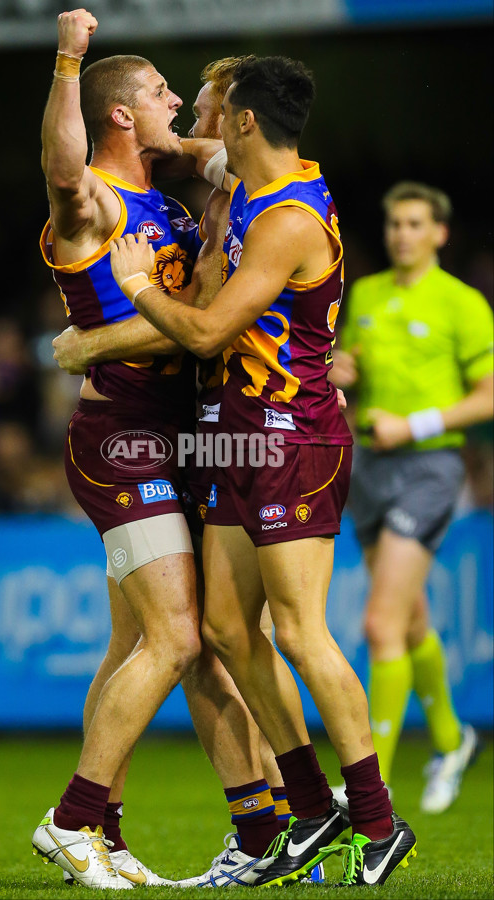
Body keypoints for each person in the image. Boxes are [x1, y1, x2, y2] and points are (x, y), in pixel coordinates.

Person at [109, 55, 418, 887]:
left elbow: (208, 335)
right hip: (237, 437)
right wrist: (126, 123)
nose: (197, 120)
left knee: (299, 632)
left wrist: (136, 286)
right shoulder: (244, 173)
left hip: (293, 441)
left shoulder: (286, 218)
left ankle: (379, 819)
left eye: (210, 109)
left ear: (245, 121)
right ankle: (313, 812)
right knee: (224, 632)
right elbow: (183, 151)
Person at [47, 47, 324, 887]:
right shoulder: (94, 198)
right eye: (163, 93)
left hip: (188, 433)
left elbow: (201, 317)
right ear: (122, 115)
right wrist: (69, 62)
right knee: (176, 636)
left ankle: (223, 827)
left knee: (166, 640)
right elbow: (62, 169)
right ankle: (76, 820)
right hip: (122, 438)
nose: (180, 103)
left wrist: (98, 336)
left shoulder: (173, 203)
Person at [329, 181, 492, 813]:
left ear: (440, 233)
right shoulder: (365, 294)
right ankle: (453, 741)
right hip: (368, 463)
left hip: (429, 465)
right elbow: (352, 370)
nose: (402, 233)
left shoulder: (463, 303)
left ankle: (373, 786)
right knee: (411, 618)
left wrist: (417, 423)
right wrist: (346, 371)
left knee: (379, 623)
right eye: (395, 223)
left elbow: (489, 394)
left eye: (416, 224)